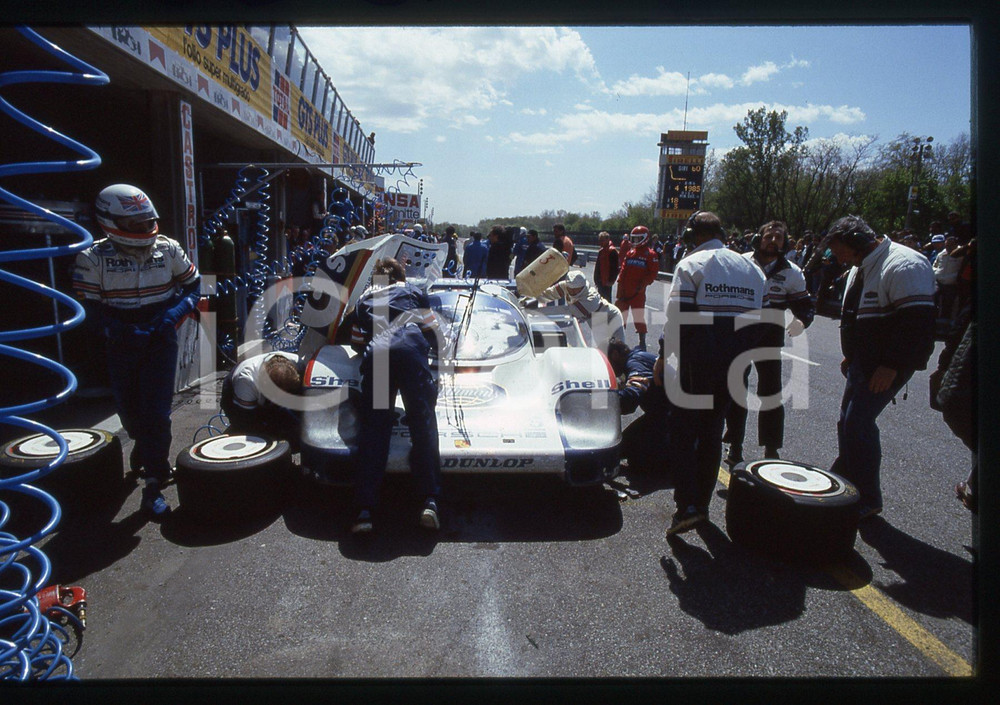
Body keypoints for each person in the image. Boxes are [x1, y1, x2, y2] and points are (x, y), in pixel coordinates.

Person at [71, 184, 200, 518]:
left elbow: (193, 287)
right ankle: (143, 444)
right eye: (136, 225)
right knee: (129, 411)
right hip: (121, 341)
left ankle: (155, 480)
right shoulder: (92, 258)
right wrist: (117, 329)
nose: (144, 230)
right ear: (109, 221)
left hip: (160, 337)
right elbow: (85, 308)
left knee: (157, 413)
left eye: (148, 222)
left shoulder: (169, 249)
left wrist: (171, 316)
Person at [653, 210, 766, 536]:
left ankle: (687, 506)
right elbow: (763, 322)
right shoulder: (752, 269)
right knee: (712, 433)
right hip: (735, 365)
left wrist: (663, 356)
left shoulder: (690, 264)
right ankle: (700, 505)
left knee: (683, 434)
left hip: (696, 365)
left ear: (692, 235)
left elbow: (678, 319)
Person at [824, 215, 936, 520]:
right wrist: (853, 354)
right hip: (864, 361)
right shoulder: (859, 268)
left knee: (858, 424)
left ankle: (868, 497)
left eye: (840, 251)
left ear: (857, 243)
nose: (838, 258)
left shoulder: (904, 264)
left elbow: (918, 326)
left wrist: (891, 366)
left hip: (887, 364)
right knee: (846, 422)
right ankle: (845, 477)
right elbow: (858, 317)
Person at [343, 257, 443, 533]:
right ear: (401, 276)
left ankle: (365, 509)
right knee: (422, 425)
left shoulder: (363, 302)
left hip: (379, 357)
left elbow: (357, 343)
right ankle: (429, 501)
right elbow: (434, 334)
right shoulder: (413, 292)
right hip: (411, 354)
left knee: (376, 429)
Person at [723, 220, 815, 464]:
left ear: (785, 243)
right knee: (737, 390)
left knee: (770, 393)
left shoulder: (792, 272)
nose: (773, 241)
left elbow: (805, 306)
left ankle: (771, 448)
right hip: (740, 335)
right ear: (758, 238)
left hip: (769, 337)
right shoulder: (740, 263)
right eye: (768, 236)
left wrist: (801, 322)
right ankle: (735, 443)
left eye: (779, 238)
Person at [607, 338, 672, 475]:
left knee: (639, 462)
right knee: (622, 448)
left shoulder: (634, 364)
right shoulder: (639, 356)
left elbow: (631, 397)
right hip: (664, 412)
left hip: (674, 415)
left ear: (614, 355)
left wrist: (606, 400)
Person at [530, 265, 625, 350]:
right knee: (602, 349)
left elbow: (563, 310)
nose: (572, 292)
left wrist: (534, 311)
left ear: (583, 287)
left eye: (575, 290)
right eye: (570, 289)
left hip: (611, 317)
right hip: (594, 319)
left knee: (618, 350)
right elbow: (548, 294)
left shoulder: (590, 299)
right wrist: (530, 297)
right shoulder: (567, 285)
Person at [220, 352, 302, 442]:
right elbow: (247, 422)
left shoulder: (298, 363)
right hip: (234, 395)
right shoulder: (246, 382)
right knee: (248, 433)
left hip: (266, 389)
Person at [614, 225, 660, 351]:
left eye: (637, 238)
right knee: (620, 316)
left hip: (638, 293)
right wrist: (620, 285)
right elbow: (623, 270)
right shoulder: (630, 253)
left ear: (645, 238)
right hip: (624, 292)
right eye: (633, 239)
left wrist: (644, 284)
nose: (635, 241)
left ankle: (642, 341)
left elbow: (653, 273)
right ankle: (618, 341)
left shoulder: (651, 255)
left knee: (638, 317)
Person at [594, 231, 619, 302]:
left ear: (607, 240)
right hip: (600, 280)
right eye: (599, 240)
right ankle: (600, 313)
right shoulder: (601, 251)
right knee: (600, 300)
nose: (600, 242)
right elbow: (597, 266)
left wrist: (611, 280)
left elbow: (615, 268)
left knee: (606, 301)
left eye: (602, 240)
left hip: (607, 281)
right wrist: (596, 279)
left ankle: (607, 313)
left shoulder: (612, 251)